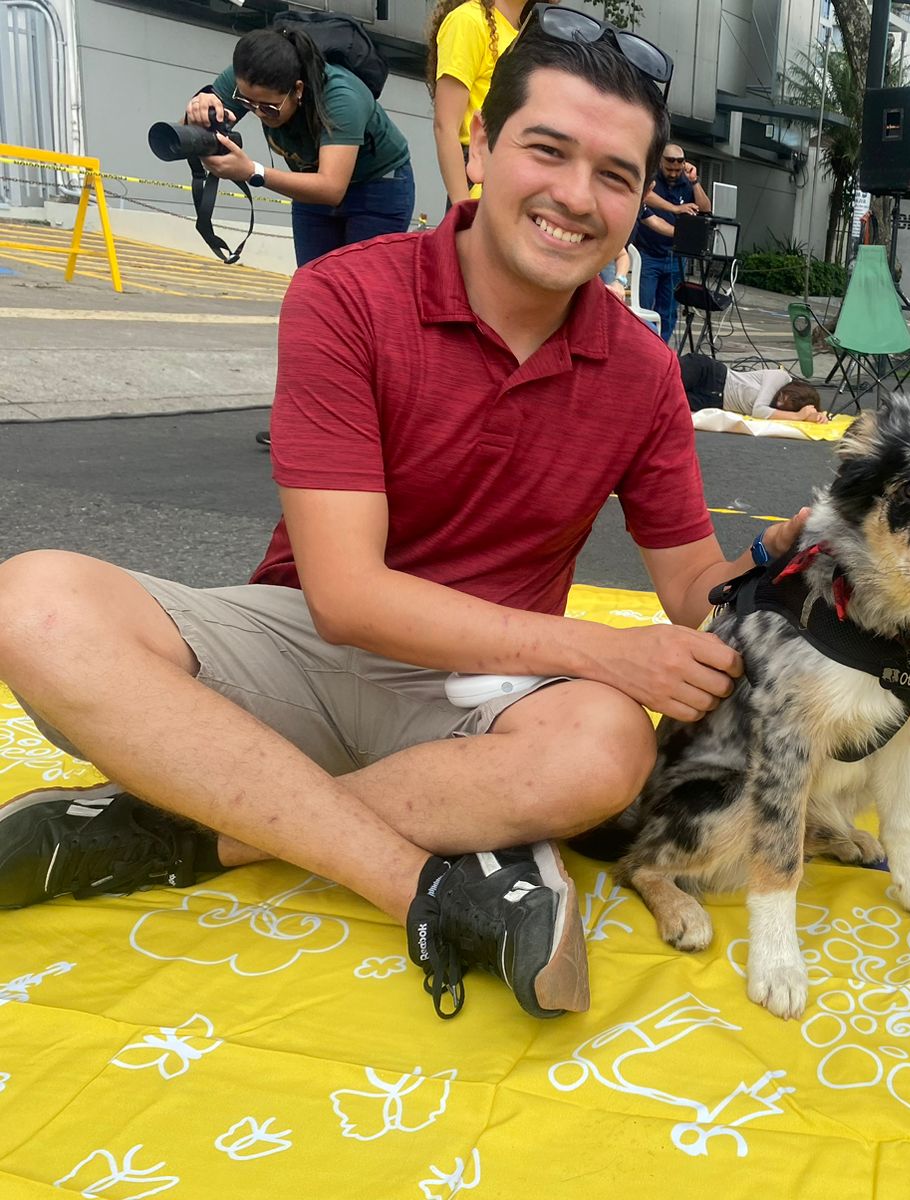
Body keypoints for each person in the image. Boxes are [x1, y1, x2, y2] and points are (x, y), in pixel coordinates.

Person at [0, 13, 806, 1023]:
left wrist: (797, 555)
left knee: (609, 748)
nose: (574, 197)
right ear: (477, 148)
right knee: (31, 605)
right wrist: (602, 651)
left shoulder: (642, 372)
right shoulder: (346, 298)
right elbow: (345, 599)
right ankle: (422, 882)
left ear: (642, 199)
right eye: (546, 151)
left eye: (614, 174)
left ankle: (194, 831)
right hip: (305, 650)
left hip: (488, 703)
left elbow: (694, 595)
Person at [185, 27, 414, 267]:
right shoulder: (250, 75)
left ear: (298, 89)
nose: (257, 112)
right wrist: (199, 109)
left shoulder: (341, 98)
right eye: (246, 102)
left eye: (269, 107)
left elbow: (331, 189)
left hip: (377, 188)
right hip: (310, 185)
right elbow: (185, 132)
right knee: (312, 286)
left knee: (361, 291)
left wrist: (253, 171)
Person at [429, 0, 523, 207]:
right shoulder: (469, 21)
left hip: (514, 172)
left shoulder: (530, 30)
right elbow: (445, 126)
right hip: (478, 171)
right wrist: (462, 208)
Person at [634, 144, 710, 343]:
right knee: (642, 308)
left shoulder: (686, 181)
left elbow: (706, 209)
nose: (674, 174)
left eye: (678, 169)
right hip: (648, 254)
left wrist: (695, 182)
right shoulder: (650, 177)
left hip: (675, 256)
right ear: (661, 162)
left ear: (684, 165)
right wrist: (676, 209)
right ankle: (639, 347)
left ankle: (660, 350)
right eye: (669, 169)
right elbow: (647, 201)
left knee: (668, 313)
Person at [678, 354, 828, 422]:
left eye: (787, 407)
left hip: (712, 400)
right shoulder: (780, 377)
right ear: (792, 387)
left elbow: (812, 413)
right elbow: (759, 410)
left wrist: (814, 416)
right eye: (783, 397)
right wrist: (797, 416)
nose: (780, 404)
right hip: (710, 375)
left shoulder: (779, 411)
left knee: (664, 399)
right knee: (662, 381)